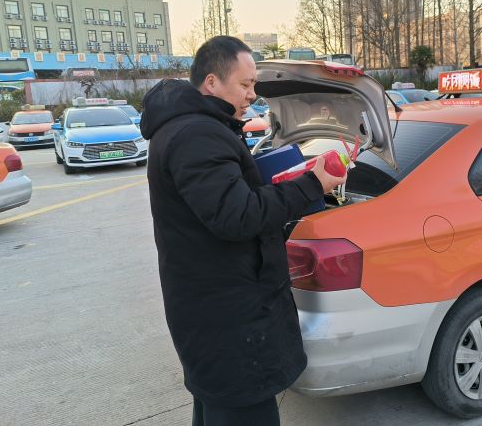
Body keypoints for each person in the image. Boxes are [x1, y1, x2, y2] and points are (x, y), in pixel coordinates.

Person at [140, 36, 346, 425]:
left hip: (214, 311)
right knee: (242, 410)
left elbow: (226, 201)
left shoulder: (193, 127)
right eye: (245, 84)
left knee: (217, 409)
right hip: (230, 322)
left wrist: (280, 185)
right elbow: (236, 216)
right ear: (212, 82)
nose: (252, 94)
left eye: (254, 85)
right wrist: (310, 185)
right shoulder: (197, 135)